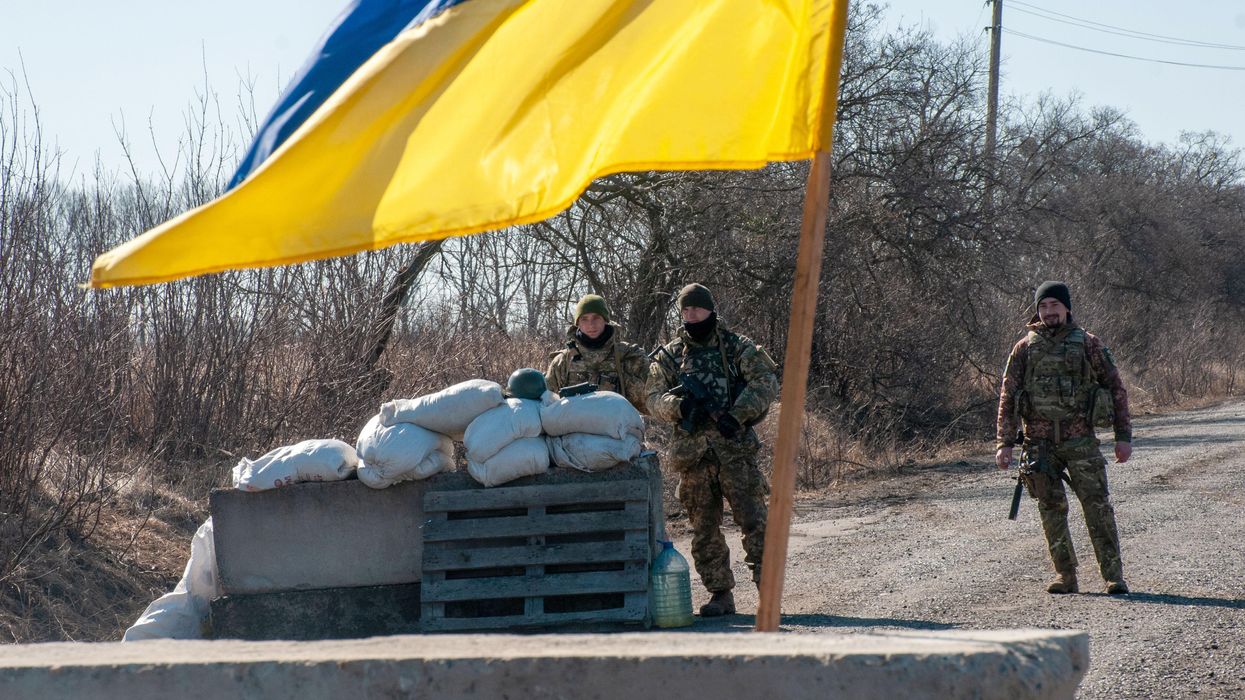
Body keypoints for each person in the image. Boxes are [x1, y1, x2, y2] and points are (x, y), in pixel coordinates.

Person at [646, 283, 779, 616]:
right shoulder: (669, 355)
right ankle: (720, 594)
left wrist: (737, 416)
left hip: (734, 450)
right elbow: (651, 398)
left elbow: (765, 382)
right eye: (686, 310)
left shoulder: (736, 348)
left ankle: (769, 591)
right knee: (704, 529)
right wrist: (679, 408)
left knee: (755, 522)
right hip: (693, 457)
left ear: (710, 310)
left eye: (697, 309)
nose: (691, 315)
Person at [996, 281, 1133, 595]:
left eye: (1054, 305)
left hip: (1081, 441)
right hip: (1039, 444)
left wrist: (1122, 437)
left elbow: (1116, 388)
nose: (1049, 312)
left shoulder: (1088, 343)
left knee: (1097, 507)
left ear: (1067, 307)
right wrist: (1003, 443)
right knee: (1050, 510)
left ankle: (1113, 576)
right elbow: (1008, 396)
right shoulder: (1024, 348)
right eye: (1043, 306)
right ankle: (1065, 576)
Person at [546, 293, 650, 413]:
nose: (591, 324)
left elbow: (650, 403)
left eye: (596, 317)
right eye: (584, 319)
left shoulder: (628, 356)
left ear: (605, 320)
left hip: (615, 429)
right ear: (578, 323)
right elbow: (548, 406)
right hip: (573, 430)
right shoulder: (563, 361)